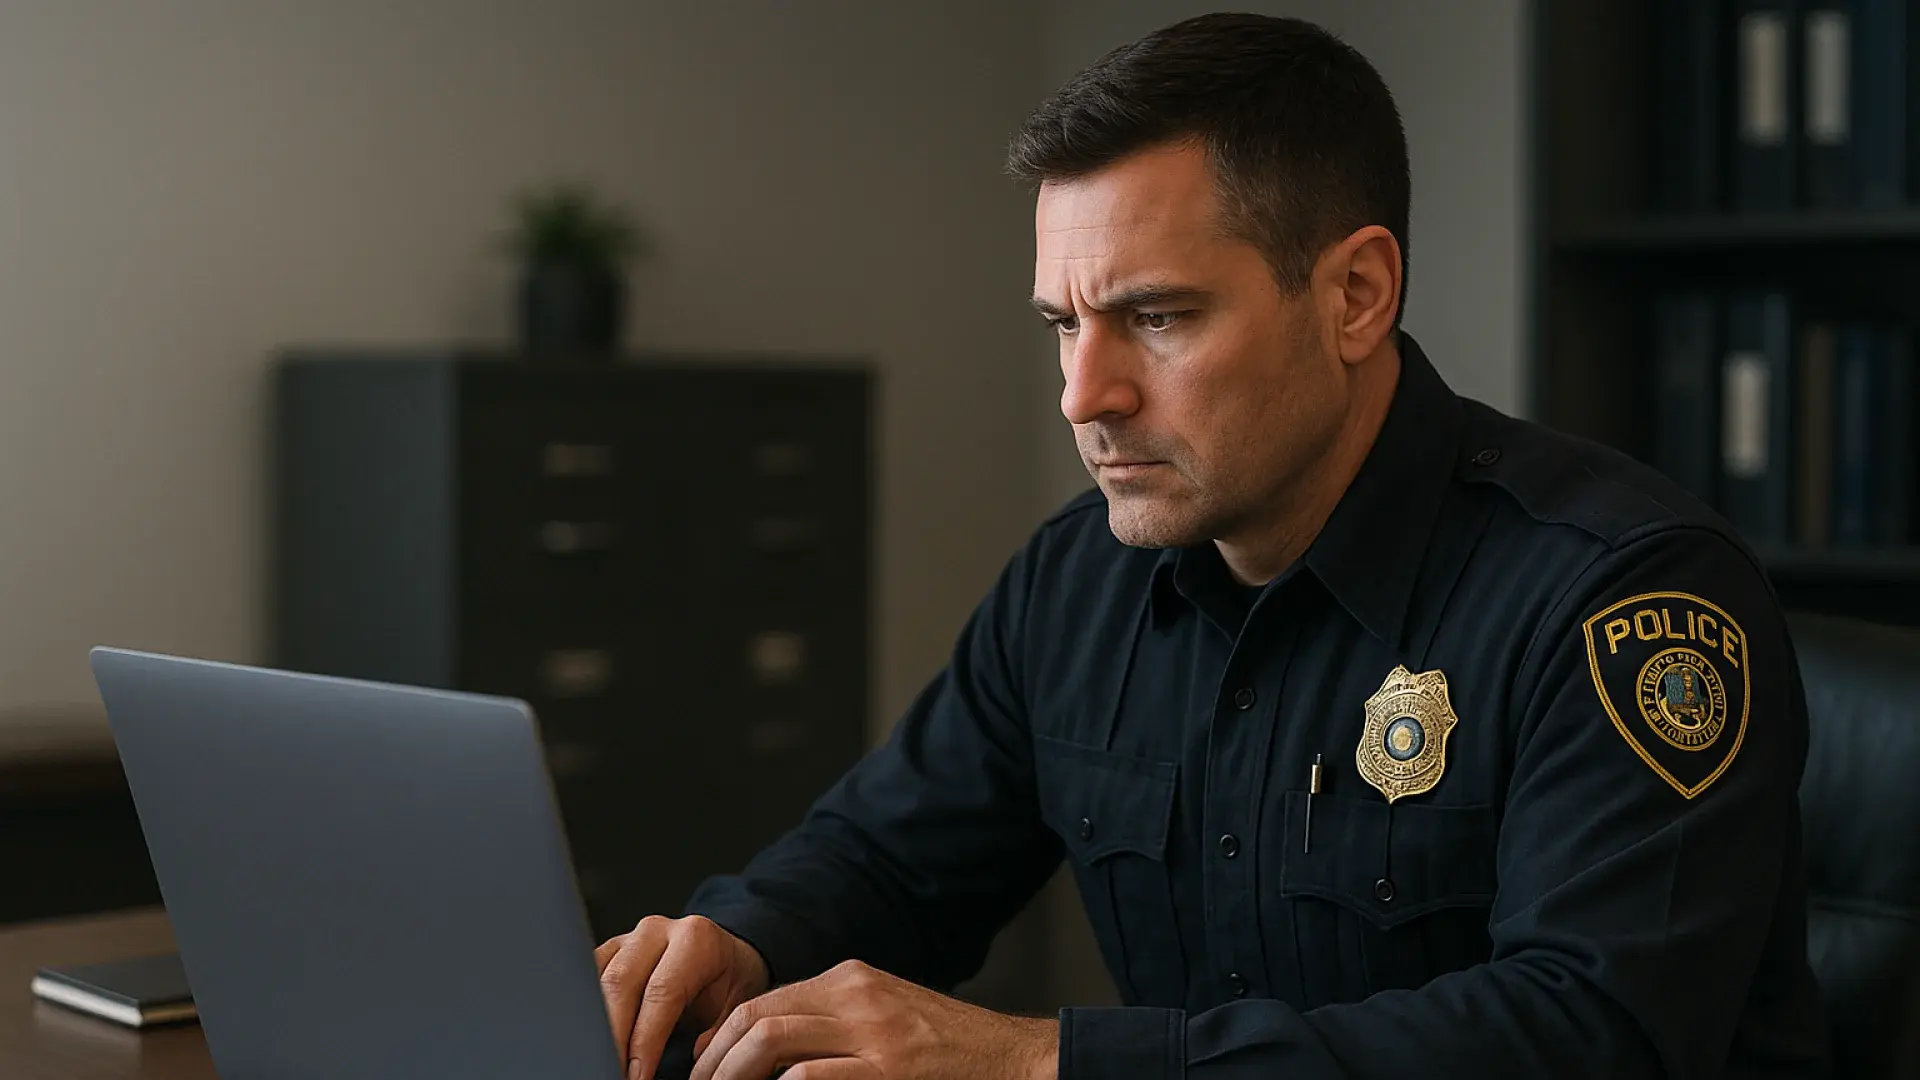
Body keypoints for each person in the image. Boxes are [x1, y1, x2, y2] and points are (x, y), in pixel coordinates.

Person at [598, 12, 1832, 1080]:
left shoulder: (1622, 596)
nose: (1085, 395)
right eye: (1062, 325)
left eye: (1156, 317)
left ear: (1356, 296)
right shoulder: (1078, 580)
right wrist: (740, 941)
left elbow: (1586, 1038)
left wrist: (1040, 1059)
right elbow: (887, 855)